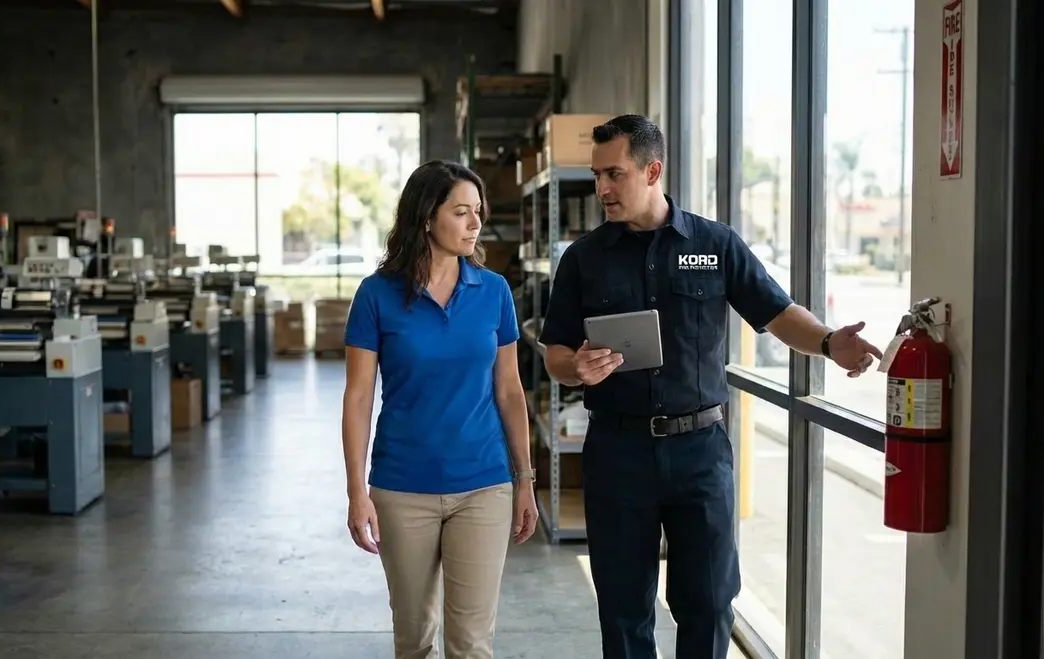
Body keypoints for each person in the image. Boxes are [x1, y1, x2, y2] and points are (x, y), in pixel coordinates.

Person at [538, 115, 883, 659]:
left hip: (699, 452)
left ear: (653, 171)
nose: (601, 188)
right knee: (624, 608)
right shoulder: (584, 258)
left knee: (709, 601)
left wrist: (826, 341)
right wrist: (573, 367)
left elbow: (775, 310)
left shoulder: (715, 244)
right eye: (596, 174)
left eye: (614, 174)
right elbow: (554, 350)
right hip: (618, 453)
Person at [342, 159, 540, 659]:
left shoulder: (493, 291)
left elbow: (510, 392)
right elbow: (359, 396)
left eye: (478, 212)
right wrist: (356, 492)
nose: (475, 224)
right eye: (461, 212)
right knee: (413, 639)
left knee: (471, 644)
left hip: (484, 485)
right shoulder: (376, 295)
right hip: (402, 487)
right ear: (427, 217)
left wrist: (526, 481)